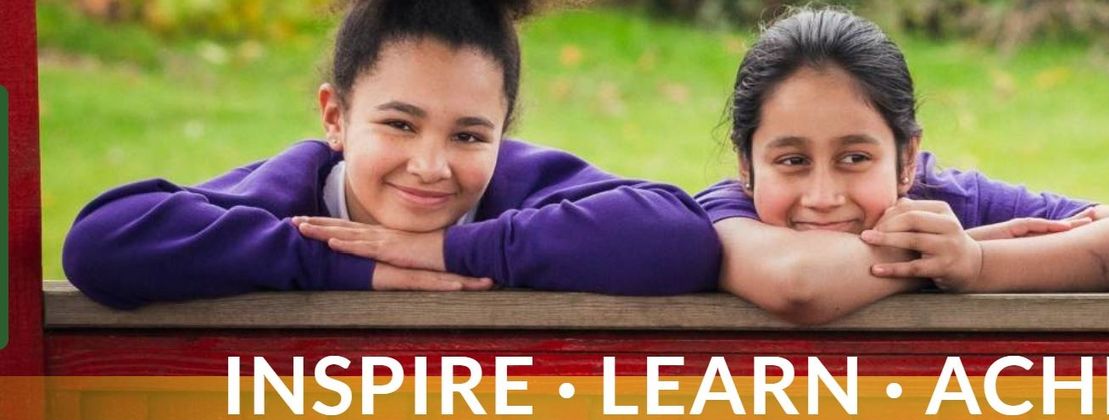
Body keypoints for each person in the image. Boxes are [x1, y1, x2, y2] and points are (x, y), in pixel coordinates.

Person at [62, 0, 721, 309]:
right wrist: (332, 264)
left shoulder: (520, 185)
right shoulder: (288, 195)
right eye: (400, 124)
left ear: (503, 131)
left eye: (469, 135)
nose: (431, 165)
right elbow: (100, 243)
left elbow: (680, 237)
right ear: (335, 117)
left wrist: (449, 252)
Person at [696, 7, 1109, 325]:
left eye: (855, 158)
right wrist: (932, 261)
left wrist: (979, 262)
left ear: (906, 160)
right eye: (792, 161)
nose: (823, 197)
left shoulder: (942, 201)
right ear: (746, 165)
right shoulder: (728, 210)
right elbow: (800, 282)